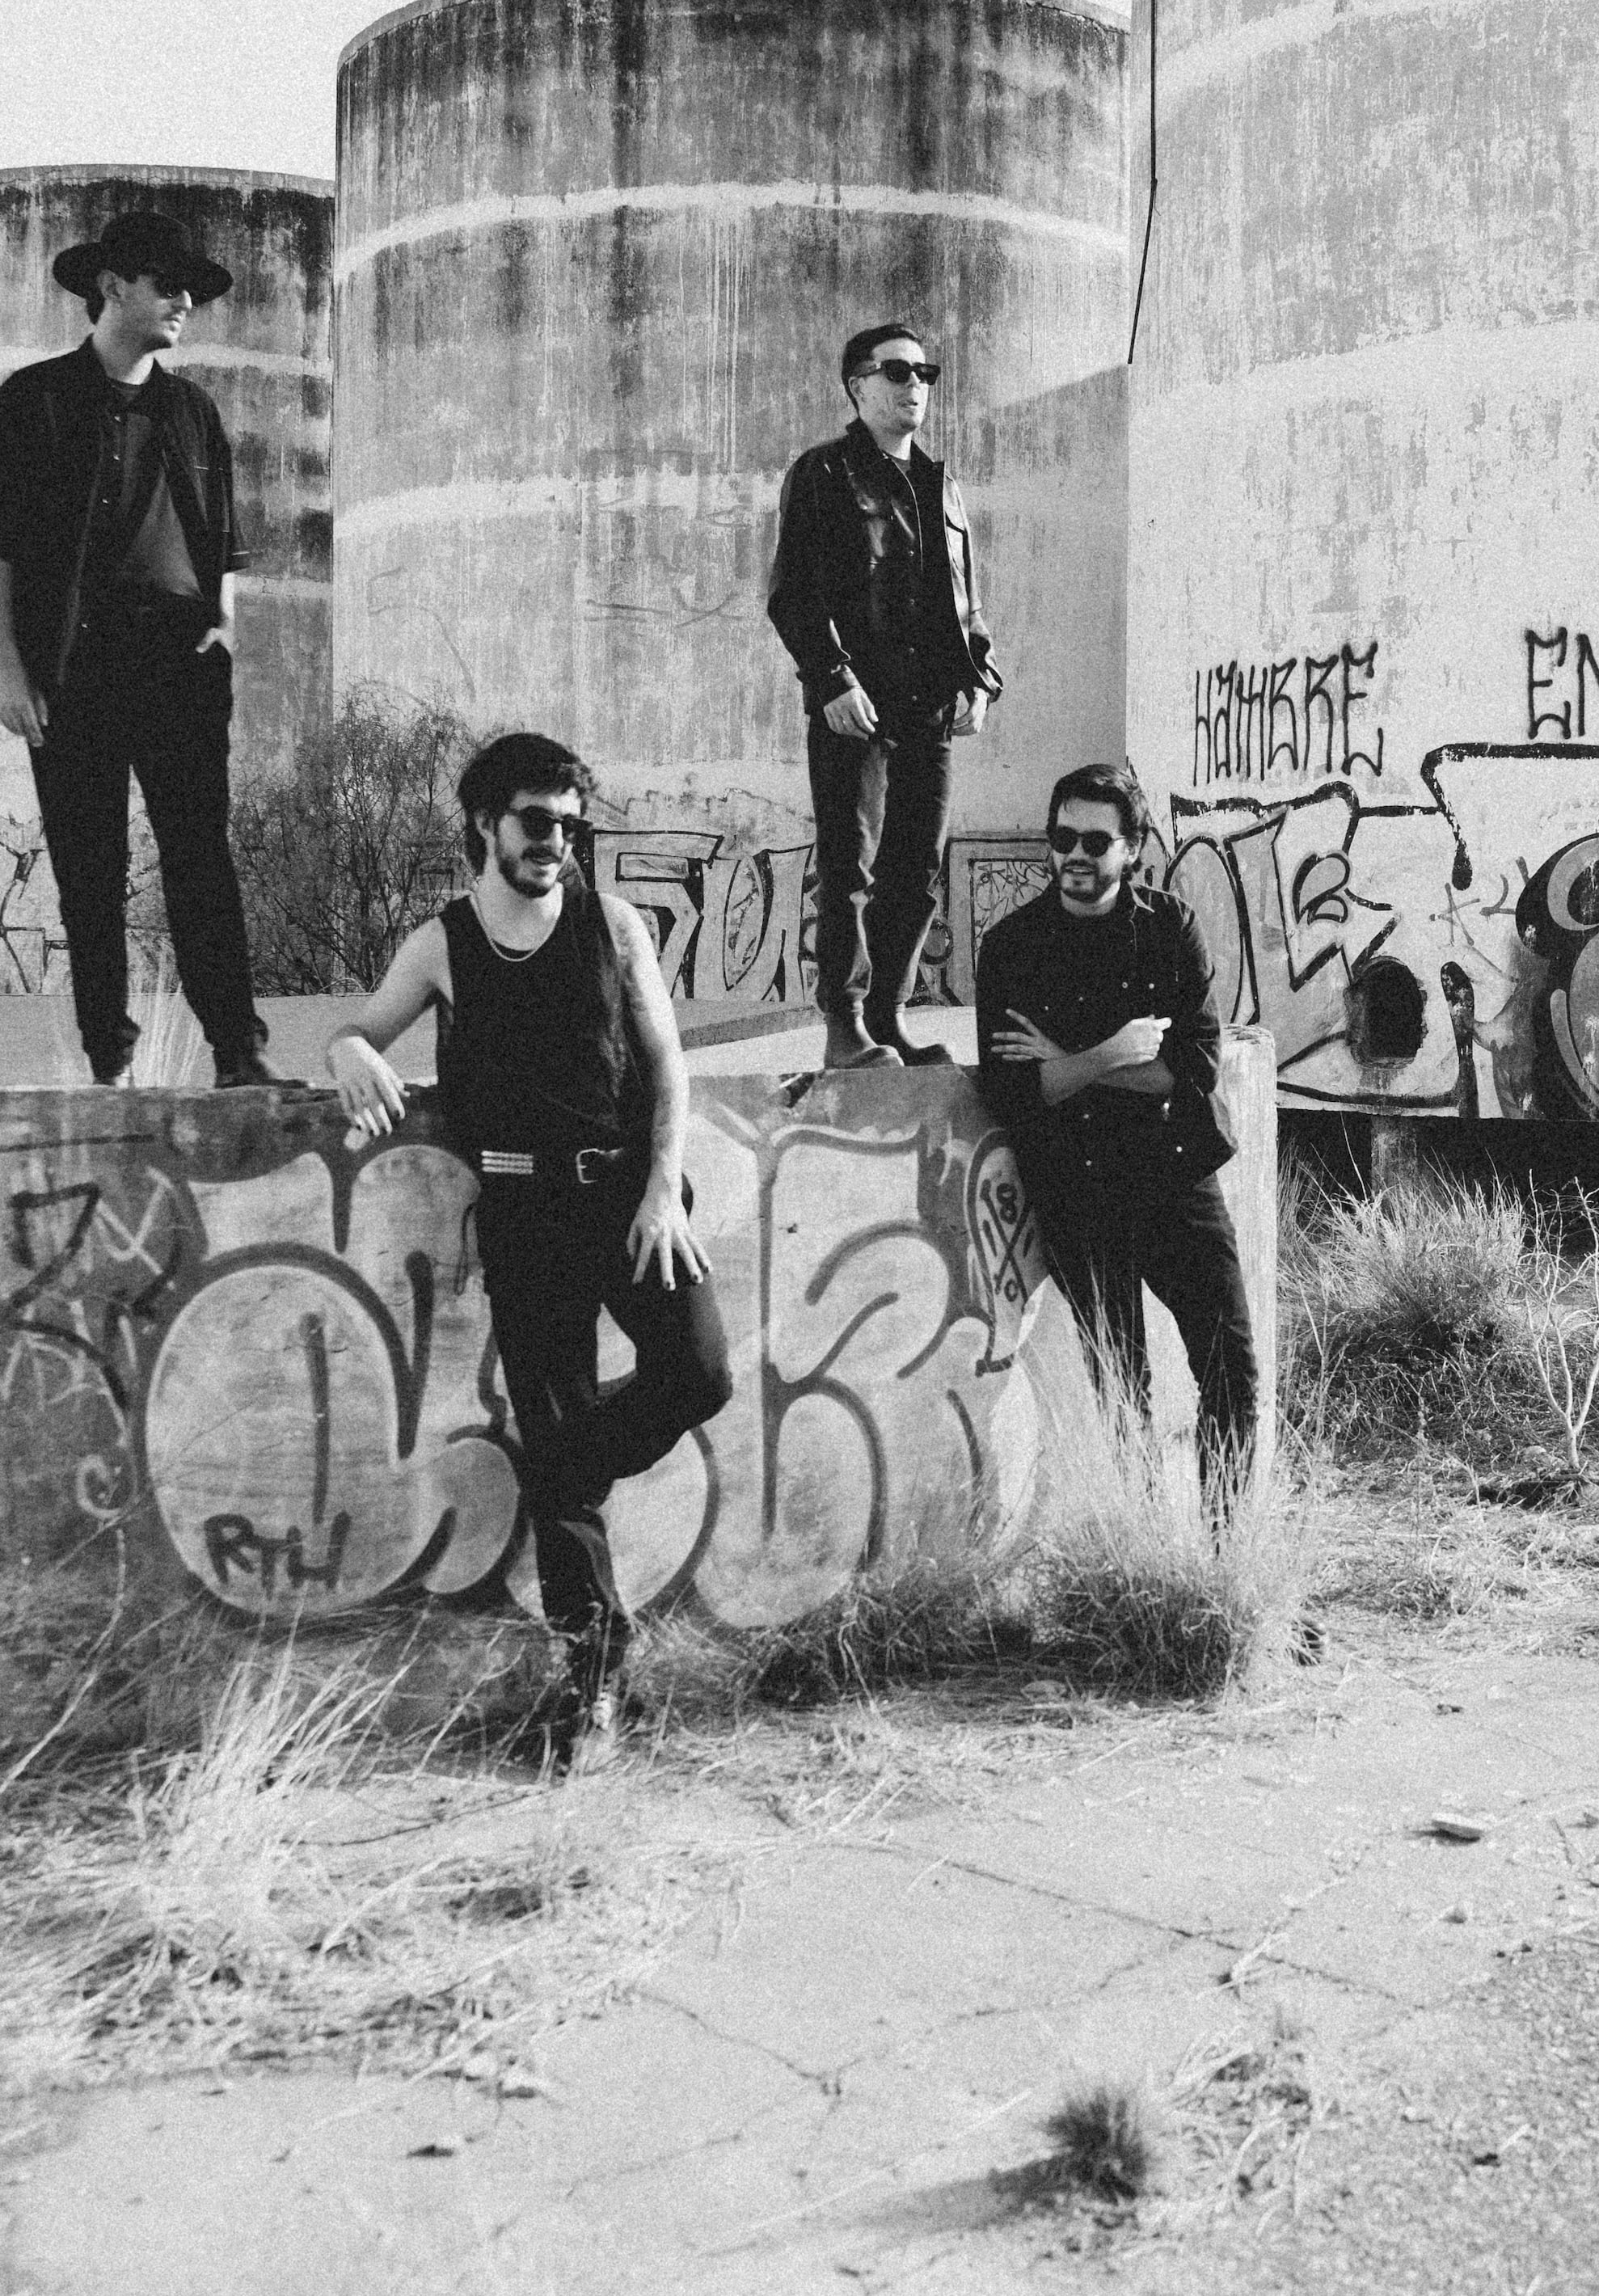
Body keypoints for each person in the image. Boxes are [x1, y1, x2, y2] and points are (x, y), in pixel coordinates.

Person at [326, 731, 733, 1757]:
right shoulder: (443, 943)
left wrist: (662, 1192)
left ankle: (562, 1470)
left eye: (568, 825)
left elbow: (667, 1067)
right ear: (484, 823)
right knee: (556, 1431)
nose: (555, 841)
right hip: (523, 1214)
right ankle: (593, 1678)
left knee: (697, 1373)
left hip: (630, 1199)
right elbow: (360, 1031)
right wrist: (347, 1052)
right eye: (535, 822)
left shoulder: (615, 925)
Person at [0, 209, 280, 1087]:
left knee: (201, 861)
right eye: (167, 284)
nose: (184, 303)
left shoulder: (193, 411)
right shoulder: (34, 401)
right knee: (89, 873)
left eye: (191, 291)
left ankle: (239, 1055)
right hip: (74, 665)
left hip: (179, 664)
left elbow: (224, 542)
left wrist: (223, 623)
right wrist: (10, 671)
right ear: (112, 286)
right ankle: (110, 1061)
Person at [976, 759, 1264, 1508]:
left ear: (1132, 848)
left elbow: (1193, 1068)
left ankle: (1226, 1549)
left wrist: (1064, 1064)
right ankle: (1146, 1554)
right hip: (1078, 1189)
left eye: (1096, 842)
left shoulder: (1171, 929)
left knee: (1232, 1371)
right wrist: (1114, 1052)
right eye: (1063, 838)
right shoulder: (1012, 947)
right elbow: (1013, 1094)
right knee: (1122, 1390)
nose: (1075, 855)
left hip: (1175, 1175)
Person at [766, 320, 1000, 1070]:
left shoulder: (940, 484)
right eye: (898, 372)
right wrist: (831, 679)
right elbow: (793, 594)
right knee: (851, 869)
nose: (916, 386)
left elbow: (964, 600)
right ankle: (845, 1027)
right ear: (857, 386)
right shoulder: (825, 473)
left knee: (918, 868)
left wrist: (980, 678)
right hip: (856, 707)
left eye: (925, 373)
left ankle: (889, 1017)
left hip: (929, 708)